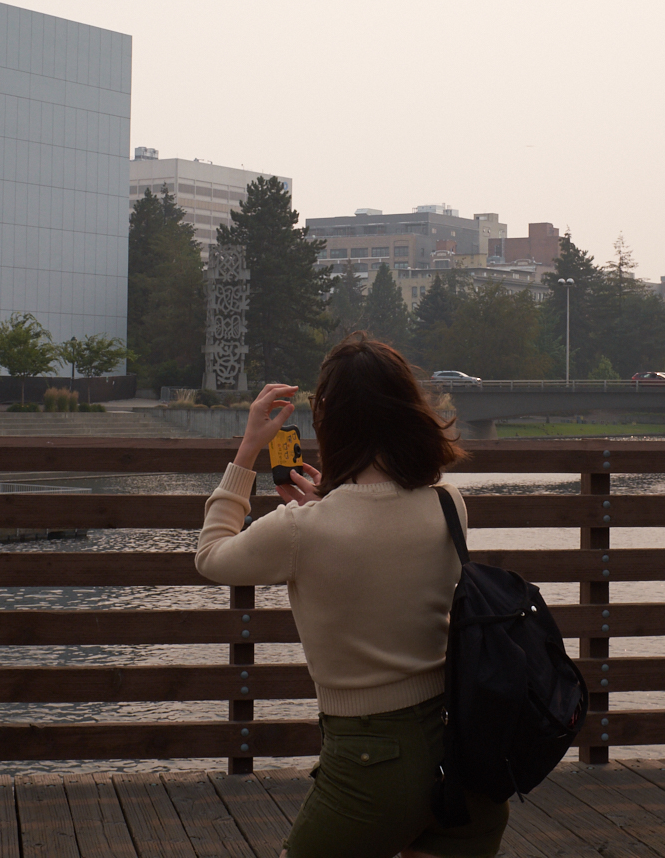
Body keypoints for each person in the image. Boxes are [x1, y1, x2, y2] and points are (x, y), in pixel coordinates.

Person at [194, 334, 510, 858]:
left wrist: (248, 448)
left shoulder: (302, 528)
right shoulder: (448, 501)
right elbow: (378, 528)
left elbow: (211, 555)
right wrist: (331, 502)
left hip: (373, 765)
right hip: (466, 753)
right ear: (409, 408)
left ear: (329, 419)